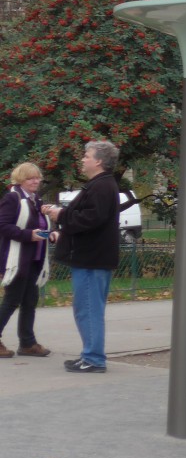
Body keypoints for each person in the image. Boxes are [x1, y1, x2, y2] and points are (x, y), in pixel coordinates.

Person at [42, 140, 120, 374]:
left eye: (87, 156)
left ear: (99, 161)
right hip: (92, 258)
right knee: (87, 308)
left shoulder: (102, 186)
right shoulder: (101, 185)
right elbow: (90, 217)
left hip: (91, 260)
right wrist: (63, 219)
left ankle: (94, 358)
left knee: (88, 309)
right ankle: (90, 354)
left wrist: (61, 215)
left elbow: (90, 219)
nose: (83, 159)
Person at [0, 163, 54, 358]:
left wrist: (50, 233)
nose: (36, 181)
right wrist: (28, 235)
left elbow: (40, 225)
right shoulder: (12, 198)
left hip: (34, 259)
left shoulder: (36, 200)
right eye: (31, 178)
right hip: (16, 260)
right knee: (12, 300)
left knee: (30, 301)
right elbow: (3, 226)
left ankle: (27, 343)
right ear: (20, 180)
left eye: (38, 177)